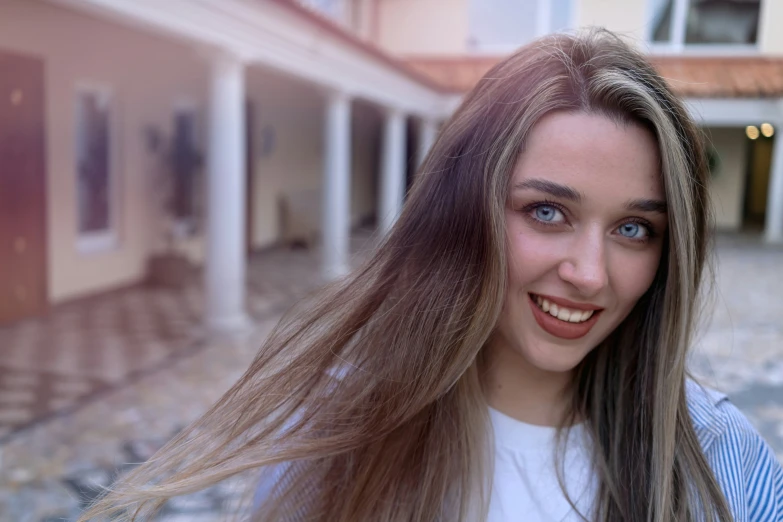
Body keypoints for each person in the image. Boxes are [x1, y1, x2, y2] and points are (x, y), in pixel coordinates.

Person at [80, 29, 783, 522]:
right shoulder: (339, 437)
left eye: (634, 229)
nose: (589, 273)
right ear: (460, 212)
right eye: (545, 212)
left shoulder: (723, 462)